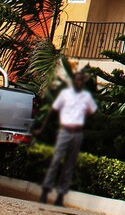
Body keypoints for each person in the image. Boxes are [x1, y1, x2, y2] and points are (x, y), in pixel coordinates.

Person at [35, 71, 97, 206]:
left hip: (77, 133)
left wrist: (85, 118)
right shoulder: (65, 94)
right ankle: (45, 191)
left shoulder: (86, 97)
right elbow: (53, 111)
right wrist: (42, 129)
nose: (79, 83)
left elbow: (93, 112)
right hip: (64, 131)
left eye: (82, 81)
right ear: (74, 81)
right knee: (56, 160)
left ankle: (60, 196)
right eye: (78, 80)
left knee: (69, 165)